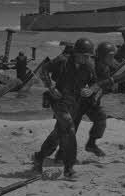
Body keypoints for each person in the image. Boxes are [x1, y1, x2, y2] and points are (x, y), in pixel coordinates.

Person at [32, 38, 96, 178]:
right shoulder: (62, 60)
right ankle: (69, 168)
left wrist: (90, 90)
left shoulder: (89, 66)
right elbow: (43, 70)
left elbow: (95, 83)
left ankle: (39, 157)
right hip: (59, 102)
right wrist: (51, 87)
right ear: (76, 53)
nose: (87, 59)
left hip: (74, 104)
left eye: (89, 56)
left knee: (58, 134)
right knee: (69, 129)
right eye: (84, 56)